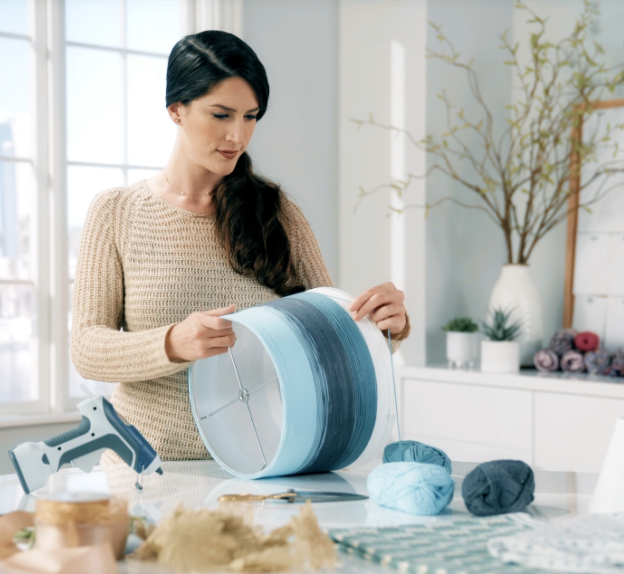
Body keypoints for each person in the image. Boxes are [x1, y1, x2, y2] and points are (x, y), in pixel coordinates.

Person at [71, 30, 410, 462]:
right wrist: (174, 342)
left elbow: (334, 338)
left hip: (268, 465)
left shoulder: (277, 213)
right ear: (177, 110)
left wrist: (387, 326)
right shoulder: (115, 212)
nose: (238, 135)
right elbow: (86, 348)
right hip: (152, 466)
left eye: (250, 116)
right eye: (221, 114)